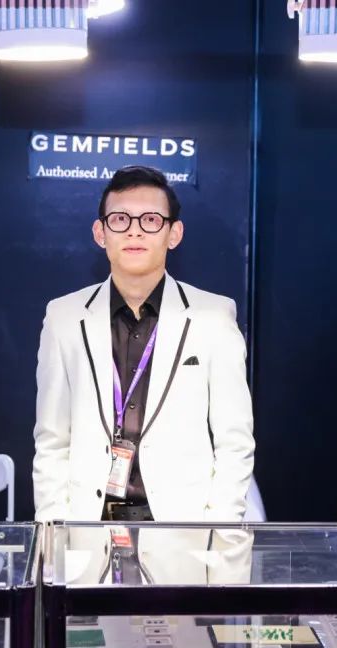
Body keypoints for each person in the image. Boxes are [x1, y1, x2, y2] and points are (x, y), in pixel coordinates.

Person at [32, 165, 255, 522]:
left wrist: (220, 532)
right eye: (120, 219)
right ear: (100, 232)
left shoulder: (214, 317)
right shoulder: (63, 318)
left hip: (182, 530)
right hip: (89, 526)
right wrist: (55, 527)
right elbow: (52, 440)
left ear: (174, 233)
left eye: (150, 220)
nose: (134, 231)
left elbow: (234, 442)